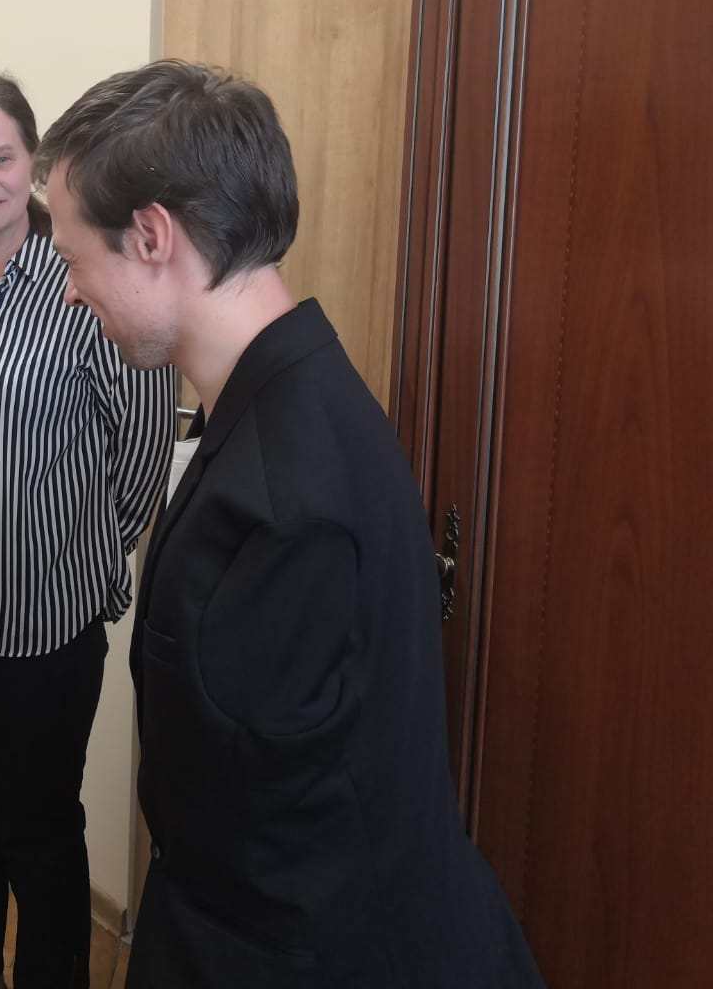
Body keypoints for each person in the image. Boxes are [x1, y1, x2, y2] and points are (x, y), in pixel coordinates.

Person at [37, 59, 545, 988]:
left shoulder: (282, 491)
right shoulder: (287, 391)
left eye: (74, 259)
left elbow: (266, 837)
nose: (72, 292)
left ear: (150, 235)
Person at [0, 75, 173, 989]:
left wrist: (85, 557)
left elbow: (140, 447)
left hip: (41, 621)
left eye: (1, 159)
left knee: (40, 829)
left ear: (35, 166)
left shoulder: (84, 279)